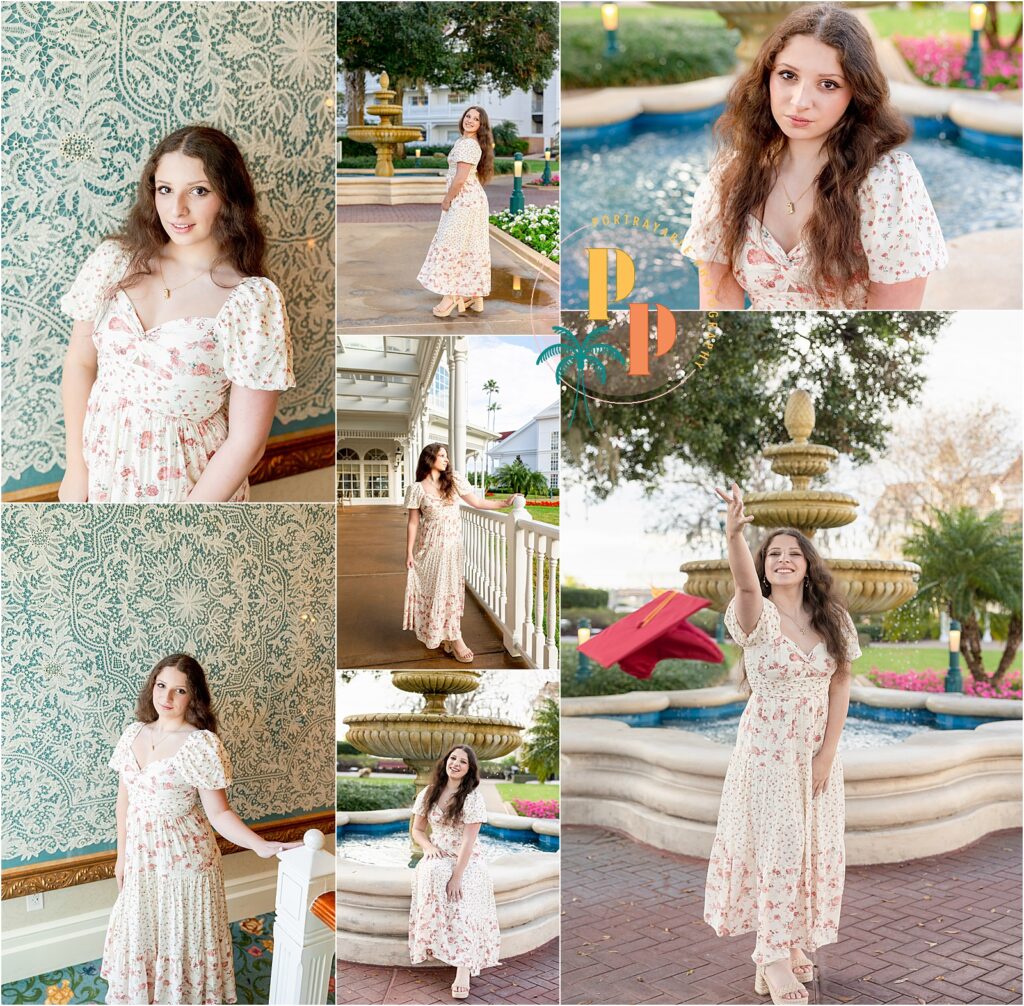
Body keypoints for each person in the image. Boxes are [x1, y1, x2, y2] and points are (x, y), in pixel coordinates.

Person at [59, 125, 295, 503]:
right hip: (100, 477)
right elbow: (79, 363)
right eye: (165, 189)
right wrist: (76, 469)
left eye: (198, 191)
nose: (177, 209)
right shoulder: (113, 262)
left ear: (228, 196)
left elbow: (247, 442)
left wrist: (186, 520)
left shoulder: (251, 301)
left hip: (191, 489)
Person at [682, 4, 947, 310]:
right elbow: (718, 315)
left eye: (828, 84)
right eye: (788, 75)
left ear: (856, 93)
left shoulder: (884, 183)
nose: (800, 101)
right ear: (767, 77)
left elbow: (892, 324)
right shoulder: (731, 177)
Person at [705, 485, 860, 1005]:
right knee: (780, 848)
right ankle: (770, 958)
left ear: (808, 564)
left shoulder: (833, 619)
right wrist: (734, 535)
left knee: (811, 847)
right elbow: (744, 586)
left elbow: (841, 684)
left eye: (794, 553)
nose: (784, 559)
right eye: (774, 554)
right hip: (768, 750)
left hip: (816, 751)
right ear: (764, 566)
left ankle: (789, 941)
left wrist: (827, 755)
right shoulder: (757, 615)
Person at [102, 653, 300, 1005]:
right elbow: (123, 803)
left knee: (181, 939)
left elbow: (219, 813)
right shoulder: (133, 733)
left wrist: (260, 844)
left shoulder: (200, 744)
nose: (167, 697)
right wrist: (122, 857)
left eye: (179, 690)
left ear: (193, 697)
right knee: (143, 931)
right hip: (142, 859)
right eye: (161, 686)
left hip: (185, 862)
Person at [404, 443, 522, 662]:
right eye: (442, 455)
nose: (446, 459)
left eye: (446, 456)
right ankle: (443, 635)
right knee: (434, 593)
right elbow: (413, 522)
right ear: (430, 458)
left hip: (452, 549)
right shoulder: (416, 489)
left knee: (450, 592)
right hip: (429, 549)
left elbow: (477, 502)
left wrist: (504, 503)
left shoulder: (454, 480)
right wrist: (409, 552)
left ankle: (456, 637)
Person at [409, 745, 500, 1000]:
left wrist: (457, 876)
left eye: (463, 761)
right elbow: (417, 830)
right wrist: (428, 847)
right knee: (431, 874)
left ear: (469, 769)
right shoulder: (429, 792)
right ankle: (433, 941)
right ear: (446, 762)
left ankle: (463, 968)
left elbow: (468, 842)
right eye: (453, 758)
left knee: (462, 896)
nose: (456, 764)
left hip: (466, 858)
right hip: (439, 852)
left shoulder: (472, 798)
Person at [417, 106, 493, 318]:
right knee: (470, 246)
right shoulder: (465, 142)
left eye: (476, 119)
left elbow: (460, 179)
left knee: (452, 246)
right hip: (471, 201)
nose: (470, 120)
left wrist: (447, 199)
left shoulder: (468, 145)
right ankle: (474, 296)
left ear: (481, 125)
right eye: (468, 116)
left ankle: (450, 296)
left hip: (464, 202)